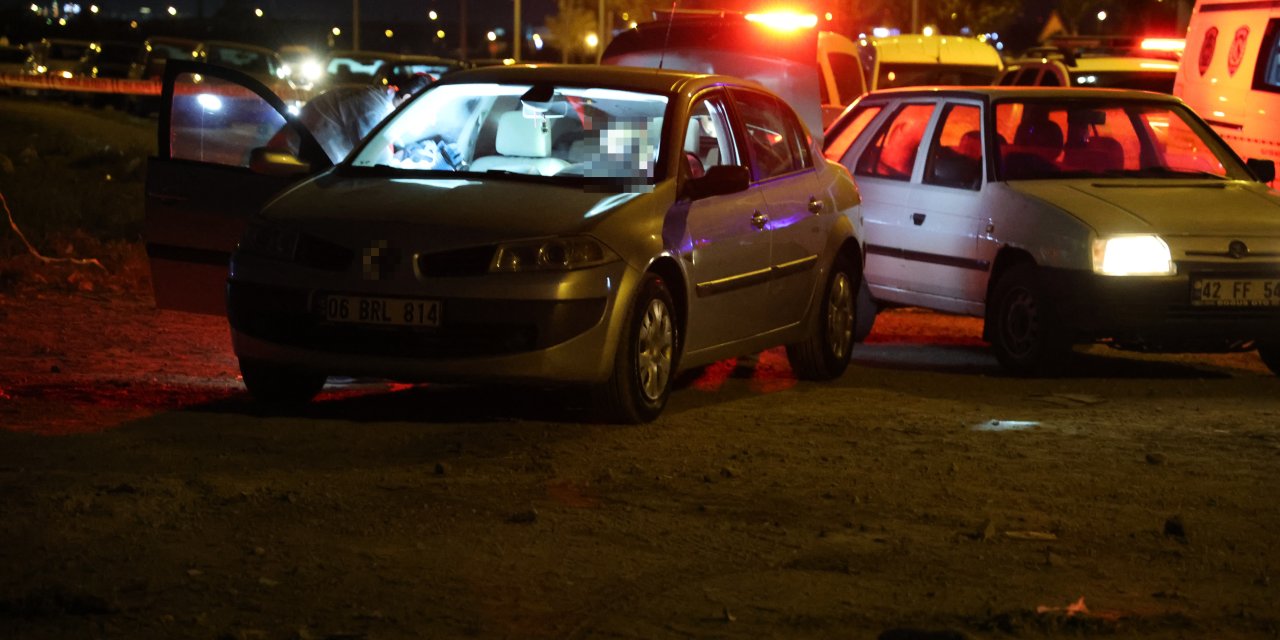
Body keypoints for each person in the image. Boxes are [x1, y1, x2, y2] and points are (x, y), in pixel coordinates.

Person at [268, 73, 433, 164]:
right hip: (291, 165)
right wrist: (408, 157)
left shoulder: (381, 99)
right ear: (406, 99)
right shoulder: (372, 108)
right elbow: (377, 163)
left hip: (316, 164)